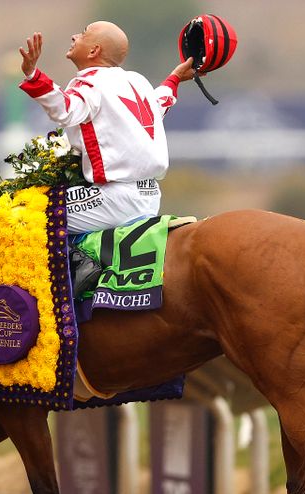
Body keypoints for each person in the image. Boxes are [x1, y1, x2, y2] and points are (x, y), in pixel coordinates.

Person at [18, 21, 195, 293]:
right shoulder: (137, 81)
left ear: (94, 51)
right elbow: (159, 103)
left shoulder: (90, 81)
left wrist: (32, 74)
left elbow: (65, 110)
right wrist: (173, 79)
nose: (74, 35)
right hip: (149, 196)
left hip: (113, 199)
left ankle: (80, 267)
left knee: (26, 216)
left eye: (83, 33)